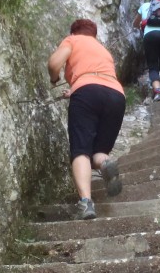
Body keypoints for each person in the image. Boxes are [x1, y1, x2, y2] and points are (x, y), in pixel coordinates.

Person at [47, 18, 125, 220]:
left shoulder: (72, 40)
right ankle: (106, 162)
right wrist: (73, 90)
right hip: (116, 95)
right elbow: (97, 78)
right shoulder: (102, 50)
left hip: (87, 91)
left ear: (74, 32)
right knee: (99, 151)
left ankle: (86, 203)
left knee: (81, 149)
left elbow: (54, 63)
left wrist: (54, 78)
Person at [133, 0, 160, 101]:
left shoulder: (145, 6)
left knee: (153, 66)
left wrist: (140, 26)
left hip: (150, 36)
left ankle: (158, 92)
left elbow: (135, 23)